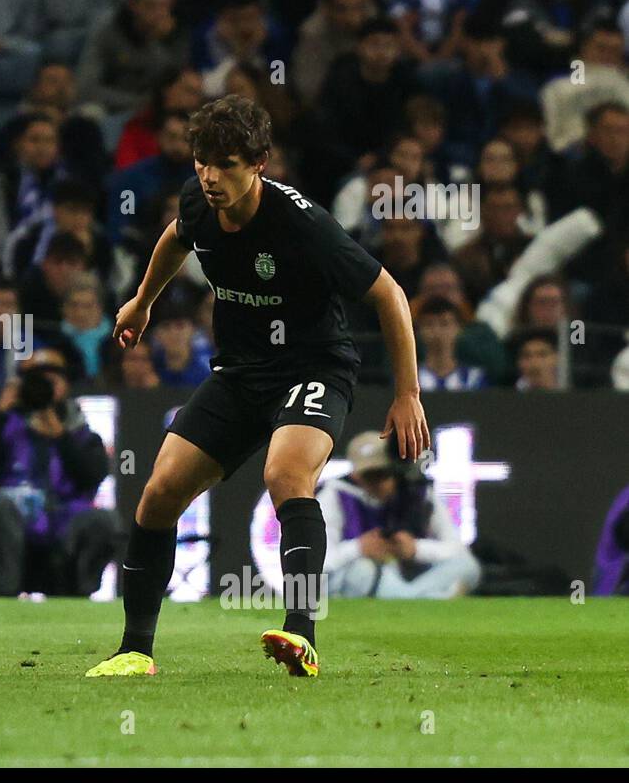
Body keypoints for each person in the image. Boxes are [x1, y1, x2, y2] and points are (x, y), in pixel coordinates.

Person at [86, 96, 429, 680]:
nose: (211, 177)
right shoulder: (199, 202)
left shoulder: (303, 224)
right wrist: (143, 301)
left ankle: (302, 636)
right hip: (241, 372)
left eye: (226, 164)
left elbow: (390, 294)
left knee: (285, 474)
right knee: (159, 494)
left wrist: (407, 394)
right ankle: (134, 651)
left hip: (315, 367)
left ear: (260, 163)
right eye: (202, 163)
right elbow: (175, 236)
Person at [0, 348, 117, 595]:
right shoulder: (6, 427)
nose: (45, 384)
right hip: (13, 527)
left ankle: (78, 596)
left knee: (104, 520)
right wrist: (0, 413)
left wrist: (62, 437)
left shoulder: (80, 432)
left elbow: (94, 474)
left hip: (65, 532)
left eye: (53, 377)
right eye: (36, 379)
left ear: (66, 383)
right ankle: (5, 593)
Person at [320, 431, 482, 599]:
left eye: (383, 474)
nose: (378, 483)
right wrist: (358, 548)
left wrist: (415, 549)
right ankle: (433, 598)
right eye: (369, 476)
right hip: (358, 573)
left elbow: (456, 548)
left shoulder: (418, 494)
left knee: (467, 565)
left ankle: (416, 596)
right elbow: (316, 563)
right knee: (363, 569)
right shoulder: (336, 494)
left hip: (408, 573)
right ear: (355, 475)